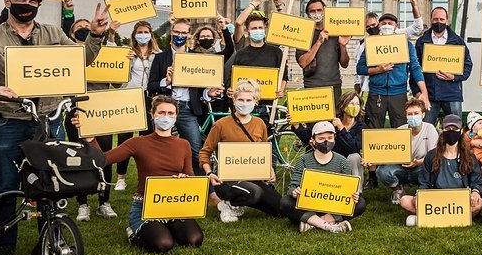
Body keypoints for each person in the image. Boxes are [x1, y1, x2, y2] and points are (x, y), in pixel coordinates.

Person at [0, 0, 108, 255]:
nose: (27, 5)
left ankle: (51, 240)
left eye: (33, 1)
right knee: (7, 185)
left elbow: (79, 59)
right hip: (9, 120)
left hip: (48, 120)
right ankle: (3, 245)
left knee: (52, 184)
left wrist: (95, 34)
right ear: (8, 2)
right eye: (21, 0)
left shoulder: (53, 34)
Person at [87, 96, 204, 254]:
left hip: (174, 204)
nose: (166, 117)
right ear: (152, 115)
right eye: (161, 112)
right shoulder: (137, 143)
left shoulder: (184, 144)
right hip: (145, 206)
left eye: (170, 113)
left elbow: (189, 176)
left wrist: (185, 180)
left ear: (176, 116)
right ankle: (134, 232)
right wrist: (90, 138)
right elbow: (104, 160)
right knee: (163, 244)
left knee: (194, 240)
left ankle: (167, 226)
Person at [197, 79, 289, 223]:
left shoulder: (260, 124)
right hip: (226, 180)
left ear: (255, 101)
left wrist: (269, 170)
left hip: (252, 177)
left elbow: (263, 151)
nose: (244, 103)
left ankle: (250, 199)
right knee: (255, 193)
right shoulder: (221, 125)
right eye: (240, 99)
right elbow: (205, 152)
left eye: (248, 100)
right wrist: (209, 173)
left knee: (281, 209)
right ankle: (228, 205)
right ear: (234, 100)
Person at [148, 19, 225, 173]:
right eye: (177, 32)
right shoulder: (160, 58)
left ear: (189, 35)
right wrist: (166, 82)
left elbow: (201, 87)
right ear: (171, 32)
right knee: (160, 151)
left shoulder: (197, 57)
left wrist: (208, 93)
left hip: (187, 109)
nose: (180, 35)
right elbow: (151, 86)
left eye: (184, 33)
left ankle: (204, 187)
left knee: (196, 151)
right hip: (166, 108)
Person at [66, 17, 118, 223]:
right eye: (79, 28)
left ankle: (104, 202)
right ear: (71, 33)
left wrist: (123, 61)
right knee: (78, 158)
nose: (83, 30)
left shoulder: (104, 52)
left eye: (87, 28)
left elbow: (116, 82)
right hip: (75, 112)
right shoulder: (66, 56)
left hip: (101, 111)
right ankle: (83, 203)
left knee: (104, 158)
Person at [399, 114, 482, 224]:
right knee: (405, 200)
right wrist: (420, 195)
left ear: (461, 131)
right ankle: (456, 219)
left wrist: (475, 192)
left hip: (459, 199)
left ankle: (431, 218)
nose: (451, 131)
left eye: (455, 129)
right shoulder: (431, 155)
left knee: (479, 203)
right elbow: (424, 182)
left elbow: (476, 179)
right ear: (442, 130)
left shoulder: (469, 156)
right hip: (436, 198)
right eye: (447, 129)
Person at [288, 121, 367, 233]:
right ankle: (330, 225)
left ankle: (313, 222)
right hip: (309, 204)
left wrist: (353, 195)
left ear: (334, 138)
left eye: (330, 138)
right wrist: (295, 192)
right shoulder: (303, 160)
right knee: (286, 202)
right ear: (313, 140)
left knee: (360, 203)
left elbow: (347, 188)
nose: (326, 142)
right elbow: (292, 187)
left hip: (333, 205)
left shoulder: (342, 161)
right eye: (321, 138)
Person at [357, 13, 428, 129]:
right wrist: (377, 70)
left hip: (398, 94)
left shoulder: (406, 45)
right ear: (379, 26)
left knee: (401, 128)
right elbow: (360, 68)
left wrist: (424, 91)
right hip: (376, 93)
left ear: (396, 26)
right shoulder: (371, 44)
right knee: (373, 129)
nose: (387, 26)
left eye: (390, 23)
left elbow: (415, 68)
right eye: (384, 23)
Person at [113, 20, 160, 191]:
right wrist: (127, 62)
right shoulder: (128, 53)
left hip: (149, 99)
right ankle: (120, 177)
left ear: (151, 34)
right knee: (124, 139)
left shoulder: (157, 54)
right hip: (129, 97)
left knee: (146, 139)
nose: (143, 35)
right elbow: (118, 79)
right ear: (134, 35)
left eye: (146, 31)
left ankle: (146, 176)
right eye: (139, 32)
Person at [414, 6, 473, 125]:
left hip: (452, 94)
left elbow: (468, 65)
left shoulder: (457, 41)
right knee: (426, 129)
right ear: (431, 20)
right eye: (435, 19)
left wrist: (454, 77)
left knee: (455, 129)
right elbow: (415, 69)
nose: (438, 22)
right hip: (429, 95)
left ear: (447, 20)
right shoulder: (421, 42)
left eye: (441, 19)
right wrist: (417, 92)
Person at [376, 97, 438, 203]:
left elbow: (433, 156)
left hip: (420, 168)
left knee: (434, 167)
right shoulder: (400, 130)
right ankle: (398, 190)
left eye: (416, 113)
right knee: (382, 171)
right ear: (406, 115)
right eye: (410, 114)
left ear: (423, 114)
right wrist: (372, 159)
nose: (413, 116)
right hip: (401, 168)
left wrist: (417, 162)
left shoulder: (430, 129)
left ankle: (423, 191)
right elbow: (388, 153)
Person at [224, 11, 285, 115]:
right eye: (254, 28)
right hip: (245, 105)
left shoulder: (276, 52)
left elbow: (283, 75)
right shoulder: (240, 54)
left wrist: (281, 90)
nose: (258, 30)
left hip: (268, 105)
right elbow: (232, 76)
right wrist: (230, 88)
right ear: (247, 31)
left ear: (264, 29)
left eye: (260, 28)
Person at [296, 0, 351, 112]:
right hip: (312, 86)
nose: (317, 13)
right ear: (308, 14)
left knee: (333, 124)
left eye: (319, 10)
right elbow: (303, 62)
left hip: (334, 85)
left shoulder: (335, 32)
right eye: (313, 11)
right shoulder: (304, 34)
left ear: (325, 11)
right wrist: (318, 42)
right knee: (314, 126)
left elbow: (345, 64)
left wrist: (343, 46)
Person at [332, 90, 368, 191]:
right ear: (343, 106)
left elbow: (354, 148)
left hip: (351, 163)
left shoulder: (361, 127)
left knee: (355, 156)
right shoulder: (333, 123)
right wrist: (296, 125)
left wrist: (341, 128)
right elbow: (310, 136)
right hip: (334, 161)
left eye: (357, 104)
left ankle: (357, 192)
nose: (354, 106)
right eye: (351, 103)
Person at [353, 12, 380, 95]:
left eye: (373, 25)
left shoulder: (390, 38)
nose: (371, 28)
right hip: (370, 83)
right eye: (368, 26)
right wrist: (357, 83)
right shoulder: (362, 44)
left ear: (378, 24)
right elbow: (357, 64)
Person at [463, 111, 482, 183]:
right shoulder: (467, 135)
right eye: (480, 123)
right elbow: (464, 144)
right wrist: (471, 143)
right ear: (472, 126)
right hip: (470, 154)